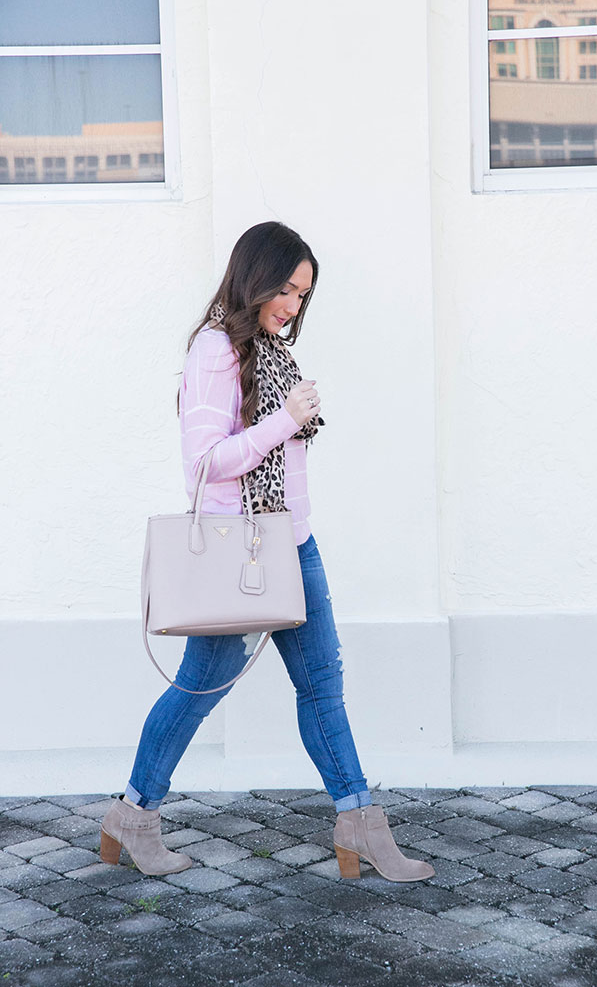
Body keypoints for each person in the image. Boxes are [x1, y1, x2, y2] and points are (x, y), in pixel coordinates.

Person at [100, 221, 435, 884]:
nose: (293, 305)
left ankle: (360, 822)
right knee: (198, 690)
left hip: (291, 542)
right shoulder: (214, 352)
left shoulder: (273, 354)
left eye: (303, 295)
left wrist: (290, 419)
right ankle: (133, 814)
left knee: (323, 687)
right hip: (240, 555)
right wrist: (286, 420)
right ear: (256, 280)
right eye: (286, 289)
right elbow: (205, 462)